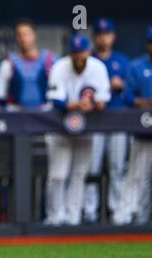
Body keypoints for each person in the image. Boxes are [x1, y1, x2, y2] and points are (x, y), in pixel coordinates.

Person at [45, 34, 110, 226]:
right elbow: (55, 100)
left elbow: (104, 97)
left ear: (88, 52)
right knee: (58, 174)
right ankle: (55, 217)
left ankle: (73, 217)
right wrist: (77, 104)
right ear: (70, 53)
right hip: (60, 127)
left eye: (81, 52)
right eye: (74, 52)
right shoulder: (60, 67)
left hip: (86, 128)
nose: (78, 56)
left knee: (79, 174)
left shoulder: (98, 68)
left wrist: (96, 103)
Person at [83, 18, 129, 223]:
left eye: (107, 33)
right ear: (95, 37)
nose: (104, 37)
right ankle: (89, 212)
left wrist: (122, 85)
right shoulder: (87, 58)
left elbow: (131, 92)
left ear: (113, 36)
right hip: (94, 121)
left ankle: (116, 211)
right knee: (91, 168)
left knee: (117, 168)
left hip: (117, 119)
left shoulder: (123, 60)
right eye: (100, 34)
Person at [115, 25, 152, 225]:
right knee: (138, 176)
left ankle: (145, 216)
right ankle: (126, 218)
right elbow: (128, 97)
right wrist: (150, 102)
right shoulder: (137, 66)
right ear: (147, 44)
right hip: (144, 129)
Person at [0, 19, 57, 111]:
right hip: (16, 114)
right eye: (19, 35)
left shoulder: (50, 60)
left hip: (44, 115)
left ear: (34, 35)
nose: (23, 38)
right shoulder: (8, 63)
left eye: (27, 34)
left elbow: (59, 93)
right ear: (16, 38)